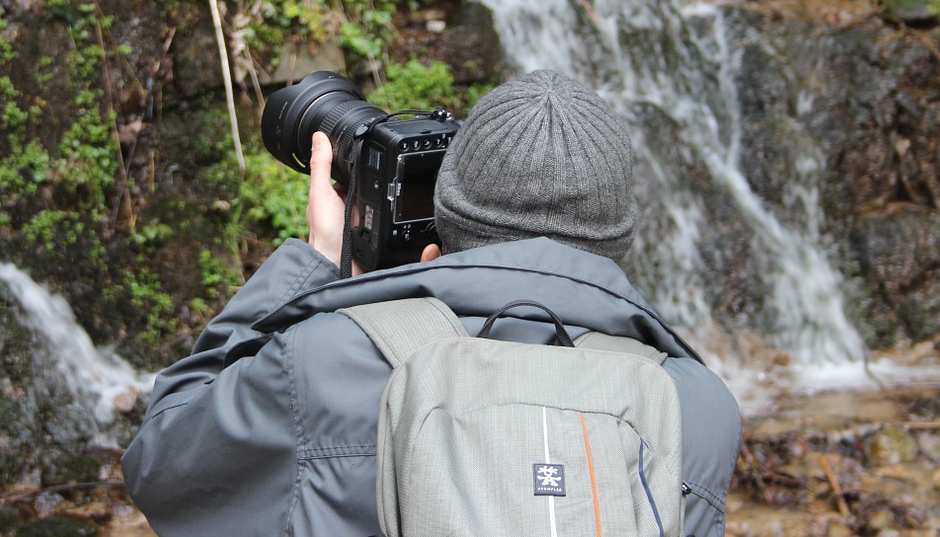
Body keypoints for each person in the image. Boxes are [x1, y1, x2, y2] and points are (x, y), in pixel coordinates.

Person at [121, 70, 742, 536]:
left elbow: (163, 466)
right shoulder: (697, 407)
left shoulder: (323, 364)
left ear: (437, 234)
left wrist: (318, 262)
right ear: (616, 241)